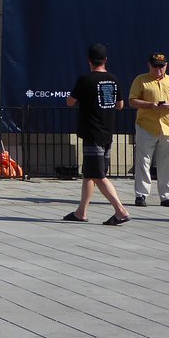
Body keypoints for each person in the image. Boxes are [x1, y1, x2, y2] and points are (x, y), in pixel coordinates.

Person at [64, 44, 131, 225]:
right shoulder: (113, 79)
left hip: (92, 132)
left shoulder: (85, 80)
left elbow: (70, 102)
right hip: (107, 132)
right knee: (90, 173)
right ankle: (81, 212)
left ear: (89, 60)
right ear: (105, 60)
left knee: (98, 174)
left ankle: (120, 211)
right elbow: (120, 105)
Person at [129, 52, 169, 207]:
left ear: (166, 65)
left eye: (161, 66)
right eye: (155, 66)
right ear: (149, 65)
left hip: (168, 127)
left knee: (168, 162)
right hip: (146, 126)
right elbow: (132, 100)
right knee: (143, 161)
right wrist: (150, 105)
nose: (159, 69)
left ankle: (167, 196)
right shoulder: (141, 80)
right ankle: (141, 195)